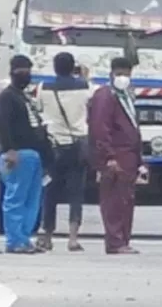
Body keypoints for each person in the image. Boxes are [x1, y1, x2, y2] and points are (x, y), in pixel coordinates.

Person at [0, 54, 50, 255]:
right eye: (21, 71)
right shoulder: (6, 97)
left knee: (32, 200)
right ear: (12, 72)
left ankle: (25, 238)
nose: (26, 74)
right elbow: (2, 125)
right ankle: (14, 240)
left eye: (28, 70)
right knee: (16, 198)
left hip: (34, 155)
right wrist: (9, 149)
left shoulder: (24, 96)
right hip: (17, 154)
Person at [38, 52, 92, 252]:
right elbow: (90, 105)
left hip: (53, 146)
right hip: (77, 146)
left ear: (54, 68)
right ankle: (72, 238)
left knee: (50, 191)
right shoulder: (85, 87)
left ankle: (47, 235)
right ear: (73, 68)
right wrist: (85, 77)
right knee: (76, 192)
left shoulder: (44, 88)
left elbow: (39, 110)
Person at [88, 56, 142, 255]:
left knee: (126, 200)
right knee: (113, 201)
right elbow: (100, 128)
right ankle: (115, 241)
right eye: (119, 74)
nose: (124, 78)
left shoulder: (126, 95)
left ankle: (123, 240)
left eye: (127, 74)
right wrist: (108, 156)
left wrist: (140, 159)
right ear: (111, 74)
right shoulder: (105, 96)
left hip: (129, 156)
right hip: (116, 155)